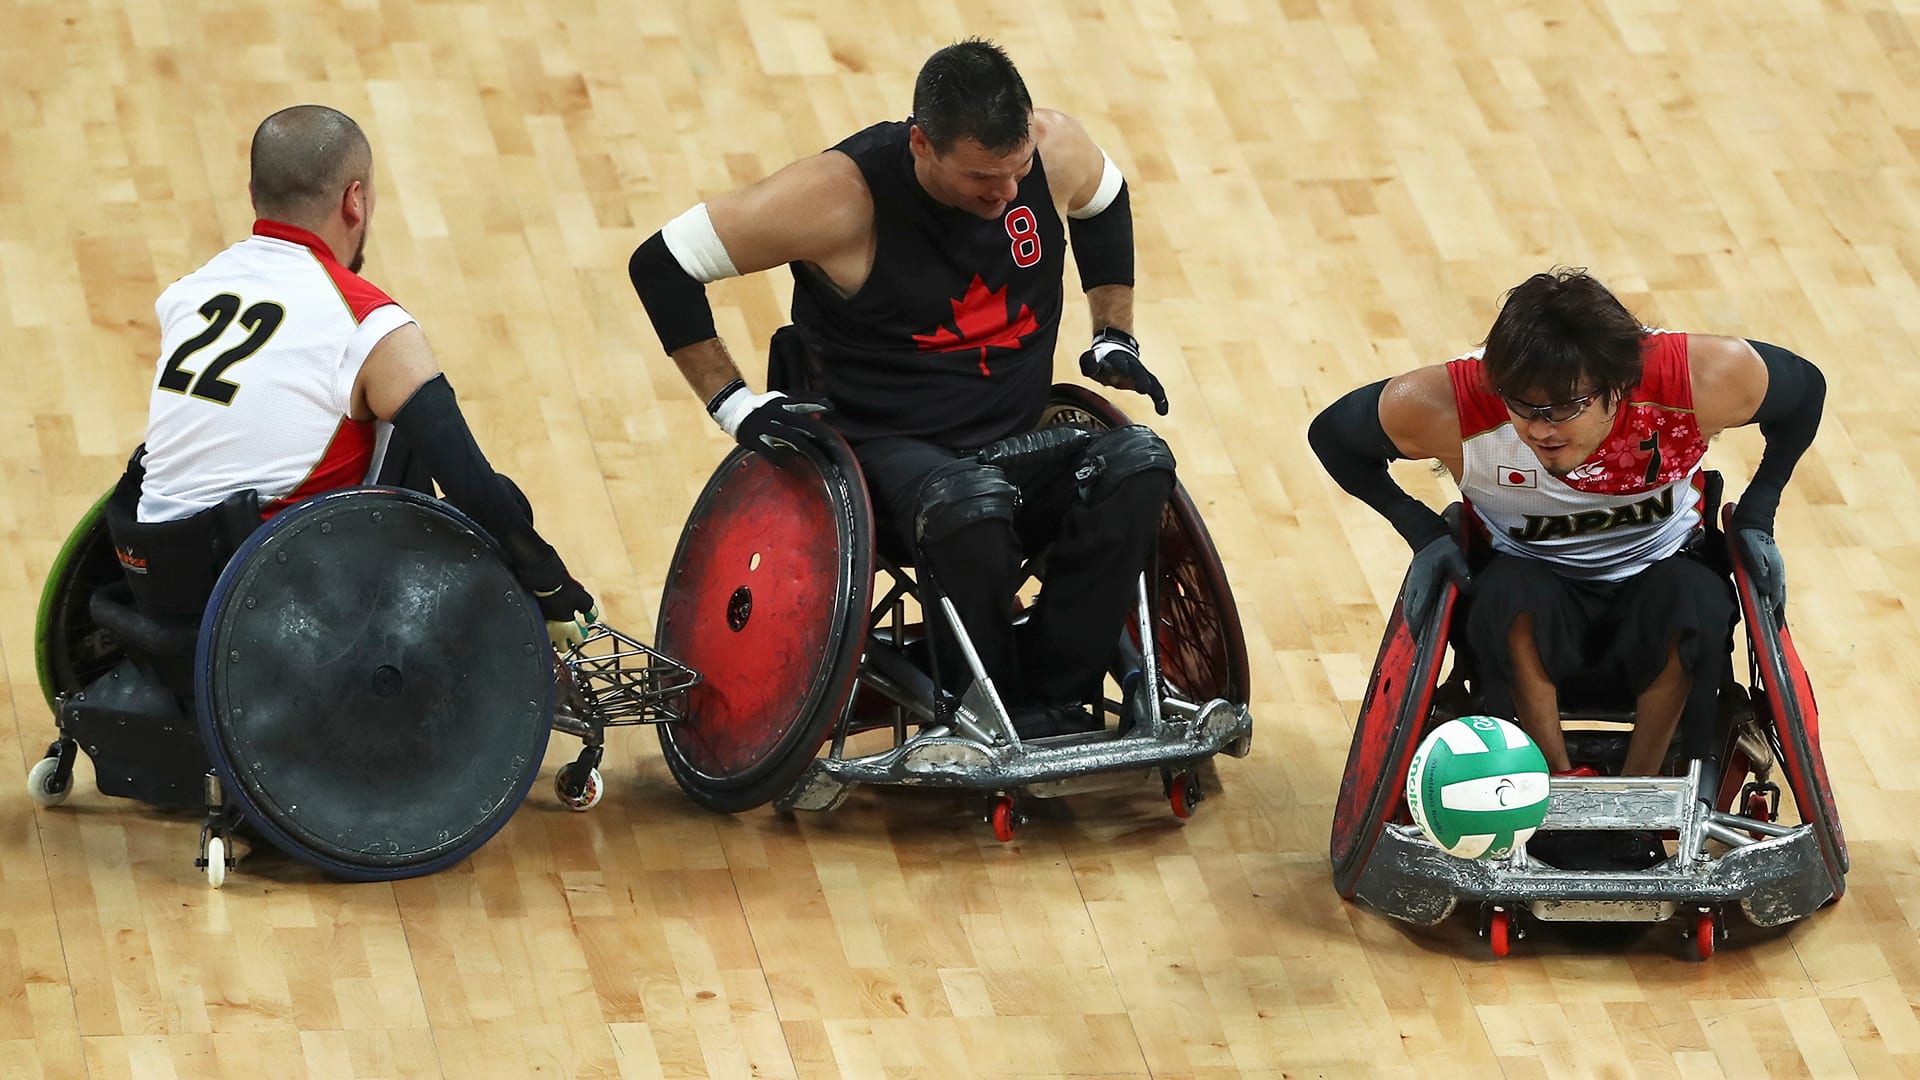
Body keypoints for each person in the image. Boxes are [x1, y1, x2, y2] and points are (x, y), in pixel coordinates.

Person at [627, 39, 1176, 738]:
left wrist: (1113, 334)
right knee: (969, 503)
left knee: (1139, 462)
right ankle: (994, 700)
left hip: (1019, 440)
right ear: (922, 143)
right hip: (885, 458)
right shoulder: (838, 197)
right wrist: (734, 404)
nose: (1006, 194)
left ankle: (1052, 697)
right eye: (982, 177)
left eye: (1017, 172)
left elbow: (1105, 202)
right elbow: (662, 264)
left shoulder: (1056, 145)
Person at [1309, 268, 1824, 788]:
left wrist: (1758, 516)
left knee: (1697, 599)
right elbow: (1332, 437)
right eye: (1522, 406)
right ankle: (1554, 784)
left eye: (1564, 407)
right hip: (1528, 589)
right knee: (1510, 596)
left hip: (1661, 576)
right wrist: (1422, 532)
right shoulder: (1448, 403)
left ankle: (1638, 792)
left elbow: (1805, 393)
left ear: (1618, 385)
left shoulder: (1696, 378)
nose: (1539, 428)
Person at [122, 105, 597, 648]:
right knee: (475, 490)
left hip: (151, 569)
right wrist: (551, 583)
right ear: (354, 200)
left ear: (255, 194)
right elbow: (472, 485)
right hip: (265, 599)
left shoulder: (187, 292)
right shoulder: (368, 321)